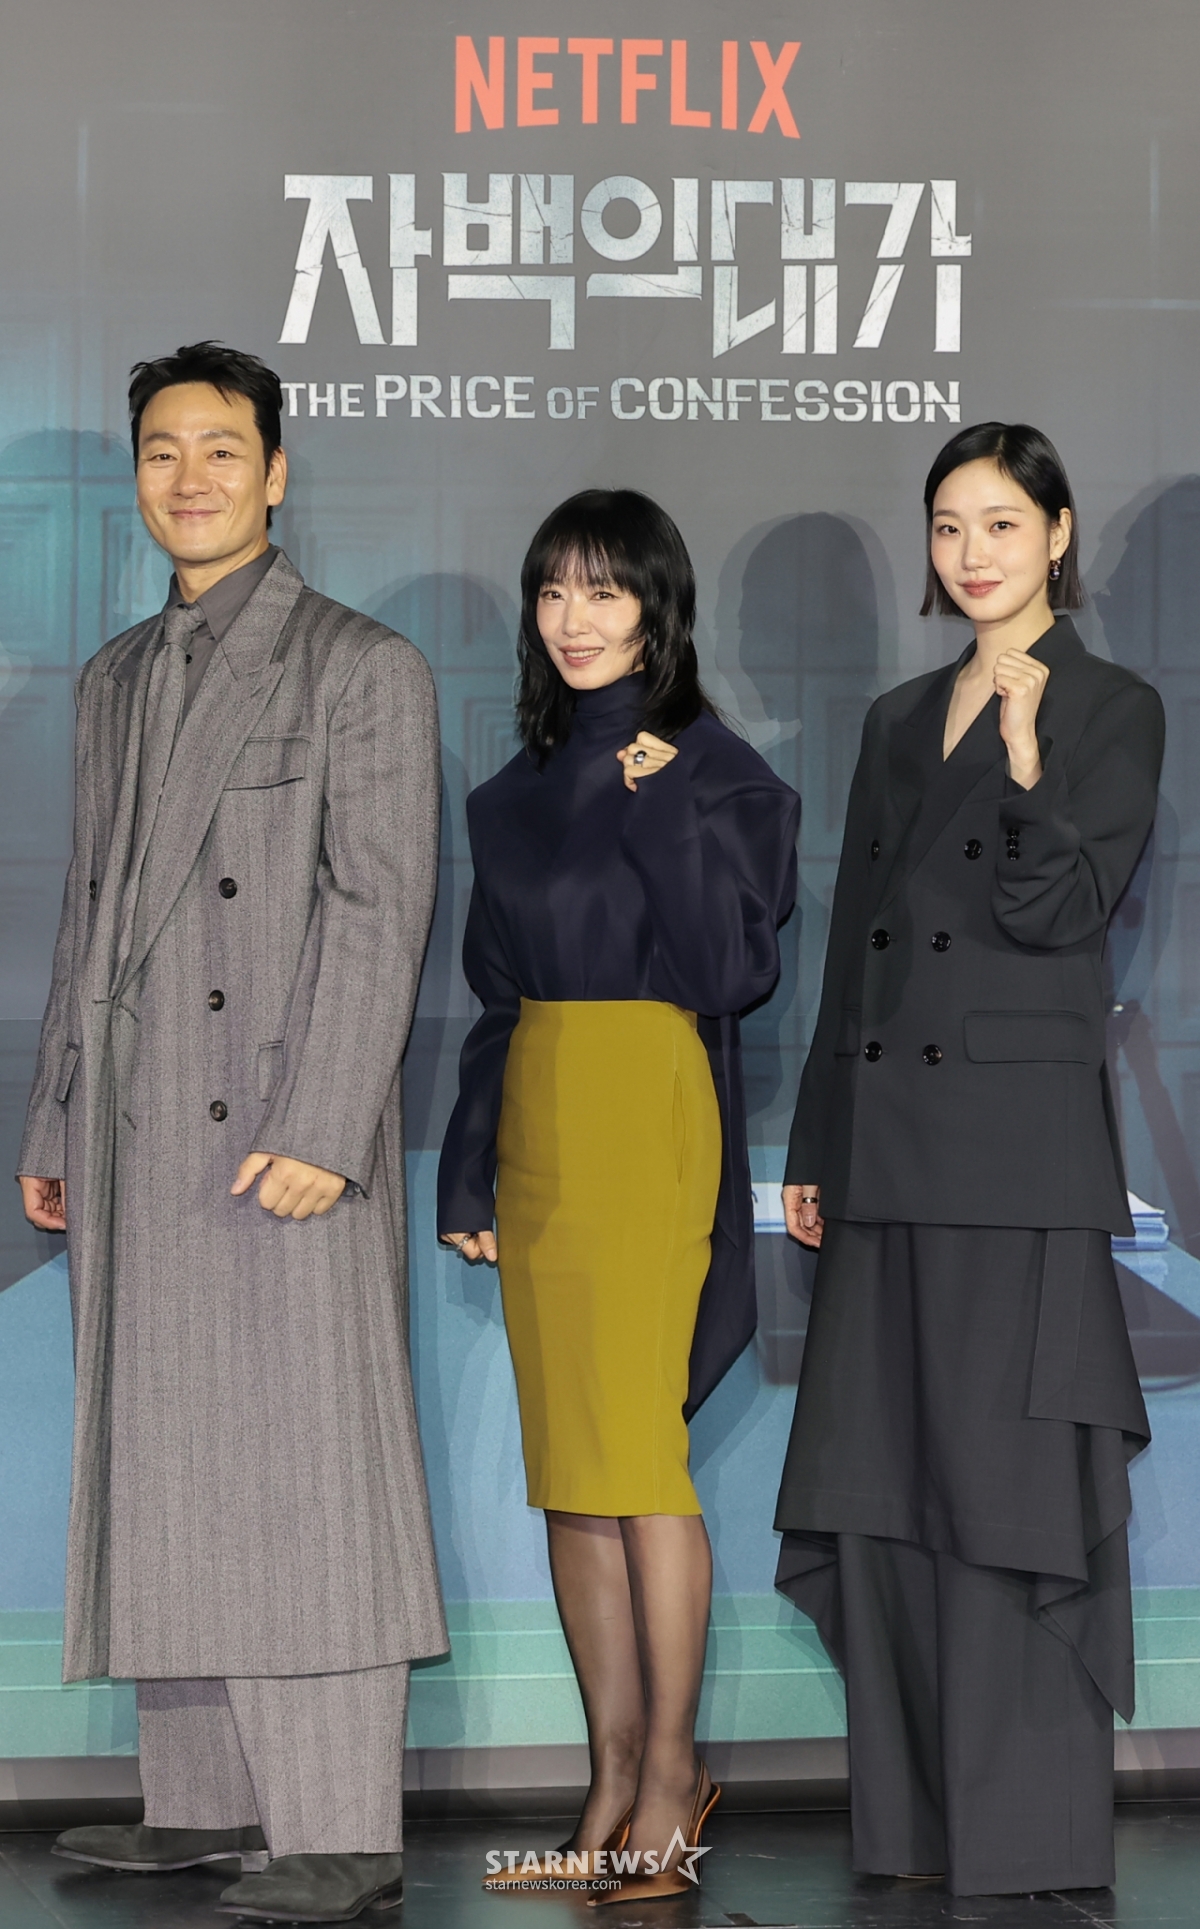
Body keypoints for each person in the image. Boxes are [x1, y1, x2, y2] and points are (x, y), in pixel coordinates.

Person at [17, 342, 446, 1926]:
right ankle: (200, 1800)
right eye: (160, 450)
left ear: (275, 472)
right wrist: (56, 1107)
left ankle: (339, 1827)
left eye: (219, 448)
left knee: (301, 1465)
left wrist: (327, 1121)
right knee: (165, 1451)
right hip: (137, 1131)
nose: (187, 476)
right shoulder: (116, 675)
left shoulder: (359, 665)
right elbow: (89, 917)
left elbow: (380, 905)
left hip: (274, 1130)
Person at [773, 422, 1164, 1896]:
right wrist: (817, 1138)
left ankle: (1025, 1838)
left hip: (1012, 1157)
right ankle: (913, 1830)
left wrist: (1024, 757)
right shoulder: (893, 718)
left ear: (1058, 535)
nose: (973, 552)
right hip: (884, 1154)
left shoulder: (1113, 707)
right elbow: (855, 952)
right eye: (949, 525)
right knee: (886, 1485)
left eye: (1002, 522)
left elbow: (1062, 909)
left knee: (1004, 1488)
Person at [438, 490, 800, 1904]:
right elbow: (494, 1000)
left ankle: (671, 1780)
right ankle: (606, 1774)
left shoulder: (722, 776)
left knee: (639, 1461)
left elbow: (731, 972)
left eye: (604, 590)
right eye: (553, 592)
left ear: (658, 606)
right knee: (572, 1473)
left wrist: (662, 812)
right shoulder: (506, 796)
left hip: (652, 1111)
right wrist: (467, 1160)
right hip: (539, 1117)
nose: (574, 619)